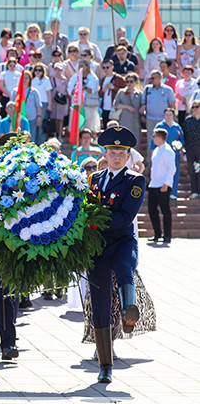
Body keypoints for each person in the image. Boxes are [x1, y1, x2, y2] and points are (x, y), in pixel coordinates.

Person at [87, 126, 145, 383]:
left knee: (124, 269)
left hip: (122, 241)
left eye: (122, 153)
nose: (117, 157)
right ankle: (105, 364)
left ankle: (129, 310)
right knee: (99, 304)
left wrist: (94, 223)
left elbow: (125, 217)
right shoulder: (94, 180)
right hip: (98, 246)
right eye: (112, 152)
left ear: (128, 156)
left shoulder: (135, 181)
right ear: (105, 154)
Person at [148, 128, 177, 243]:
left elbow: (172, 168)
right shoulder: (156, 150)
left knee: (165, 210)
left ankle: (167, 235)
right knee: (152, 209)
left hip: (163, 185)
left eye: (154, 136)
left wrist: (166, 183)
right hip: (154, 184)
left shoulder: (168, 151)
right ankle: (157, 233)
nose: (153, 138)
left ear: (160, 138)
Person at [152, 108, 185, 199]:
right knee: (161, 172)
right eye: (167, 114)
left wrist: (180, 146)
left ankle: (173, 192)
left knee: (174, 172)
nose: (168, 116)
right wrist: (152, 151)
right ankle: (160, 191)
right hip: (161, 153)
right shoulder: (159, 126)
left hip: (174, 154)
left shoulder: (177, 127)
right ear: (164, 115)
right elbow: (153, 140)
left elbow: (182, 139)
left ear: (173, 116)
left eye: (170, 114)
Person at [140, 70, 177, 150]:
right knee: (151, 141)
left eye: (153, 78)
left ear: (159, 78)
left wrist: (171, 118)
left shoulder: (168, 89)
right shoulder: (147, 89)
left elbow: (172, 105)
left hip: (163, 120)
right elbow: (143, 104)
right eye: (151, 78)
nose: (151, 80)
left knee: (164, 141)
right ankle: (150, 158)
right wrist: (143, 114)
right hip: (150, 118)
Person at [113, 72, 143, 139]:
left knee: (136, 138)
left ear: (135, 82)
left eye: (131, 81)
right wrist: (127, 107)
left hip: (136, 121)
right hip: (124, 119)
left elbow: (142, 105)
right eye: (127, 81)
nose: (129, 83)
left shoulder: (139, 94)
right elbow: (116, 105)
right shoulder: (121, 92)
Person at [184, 101, 200, 199]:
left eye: (197, 106)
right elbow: (184, 134)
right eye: (193, 107)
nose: (195, 109)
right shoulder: (188, 120)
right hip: (190, 149)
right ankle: (194, 190)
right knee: (192, 170)